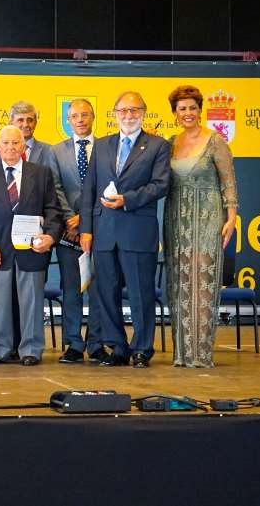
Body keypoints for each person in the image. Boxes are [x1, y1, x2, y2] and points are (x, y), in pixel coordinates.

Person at [79, 91, 171, 368]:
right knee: (106, 293)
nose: (128, 116)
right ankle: (117, 348)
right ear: (115, 114)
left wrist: (127, 200)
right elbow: (89, 190)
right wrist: (86, 229)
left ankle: (142, 349)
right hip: (104, 232)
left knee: (141, 293)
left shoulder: (157, 145)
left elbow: (161, 185)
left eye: (134, 110)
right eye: (123, 111)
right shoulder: (102, 145)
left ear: (143, 112)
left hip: (138, 232)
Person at [0, 126, 61, 366]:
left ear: (23, 147)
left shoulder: (41, 173)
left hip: (32, 250)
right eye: (6, 144)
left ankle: (31, 349)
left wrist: (50, 237)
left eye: (15, 143)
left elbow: (53, 209)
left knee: (31, 302)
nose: (10, 148)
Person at [163, 85, 239, 367]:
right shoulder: (170, 142)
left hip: (208, 217)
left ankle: (202, 354)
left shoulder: (215, 141)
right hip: (176, 219)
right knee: (179, 284)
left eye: (192, 108)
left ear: (200, 110)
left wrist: (231, 216)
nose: (187, 113)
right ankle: (182, 354)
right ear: (174, 113)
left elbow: (228, 180)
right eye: (182, 109)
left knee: (203, 283)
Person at [50, 99, 106, 364]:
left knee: (98, 288)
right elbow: (56, 188)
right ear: (67, 120)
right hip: (68, 233)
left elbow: (109, 186)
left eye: (85, 114)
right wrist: (71, 219)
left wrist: (85, 219)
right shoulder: (56, 151)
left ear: (93, 116)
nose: (80, 119)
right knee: (71, 289)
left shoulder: (106, 148)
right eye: (75, 116)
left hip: (101, 228)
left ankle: (96, 344)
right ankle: (73, 343)